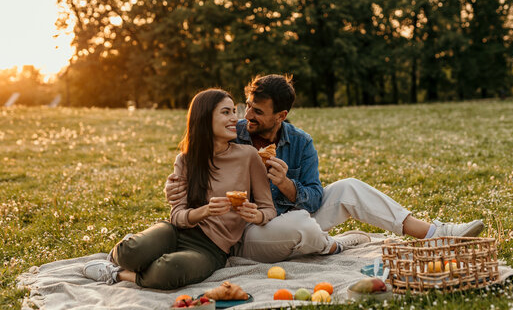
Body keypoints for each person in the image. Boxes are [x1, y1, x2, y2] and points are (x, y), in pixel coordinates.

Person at [166, 75, 485, 263]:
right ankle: (333, 244)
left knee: (349, 187)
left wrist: (287, 186)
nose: (247, 115)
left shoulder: (300, 143)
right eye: (247, 105)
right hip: (250, 229)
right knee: (299, 225)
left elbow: (315, 196)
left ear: (282, 115)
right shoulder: (231, 131)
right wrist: (175, 186)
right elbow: (193, 160)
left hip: (290, 213)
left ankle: (435, 233)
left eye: (258, 111)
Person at [82, 89, 276, 289]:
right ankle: (130, 253)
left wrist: (256, 216)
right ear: (204, 118)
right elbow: (177, 217)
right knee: (128, 253)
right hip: (175, 232)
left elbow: (268, 209)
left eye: (234, 111)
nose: (235, 118)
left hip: (212, 249)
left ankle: (118, 274)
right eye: (226, 112)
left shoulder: (248, 156)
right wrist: (206, 210)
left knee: (168, 270)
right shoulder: (185, 160)